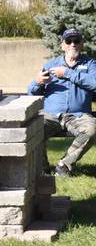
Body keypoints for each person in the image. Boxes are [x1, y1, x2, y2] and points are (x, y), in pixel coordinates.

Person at [28, 28, 96, 177]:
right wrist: (37, 82)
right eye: (68, 41)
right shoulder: (51, 65)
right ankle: (43, 170)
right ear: (62, 45)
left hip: (78, 115)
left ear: (82, 44)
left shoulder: (90, 64)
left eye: (76, 41)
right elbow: (31, 93)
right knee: (34, 130)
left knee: (92, 130)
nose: (72, 44)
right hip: (51, 115)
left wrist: (67, 73)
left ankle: (64, 165)